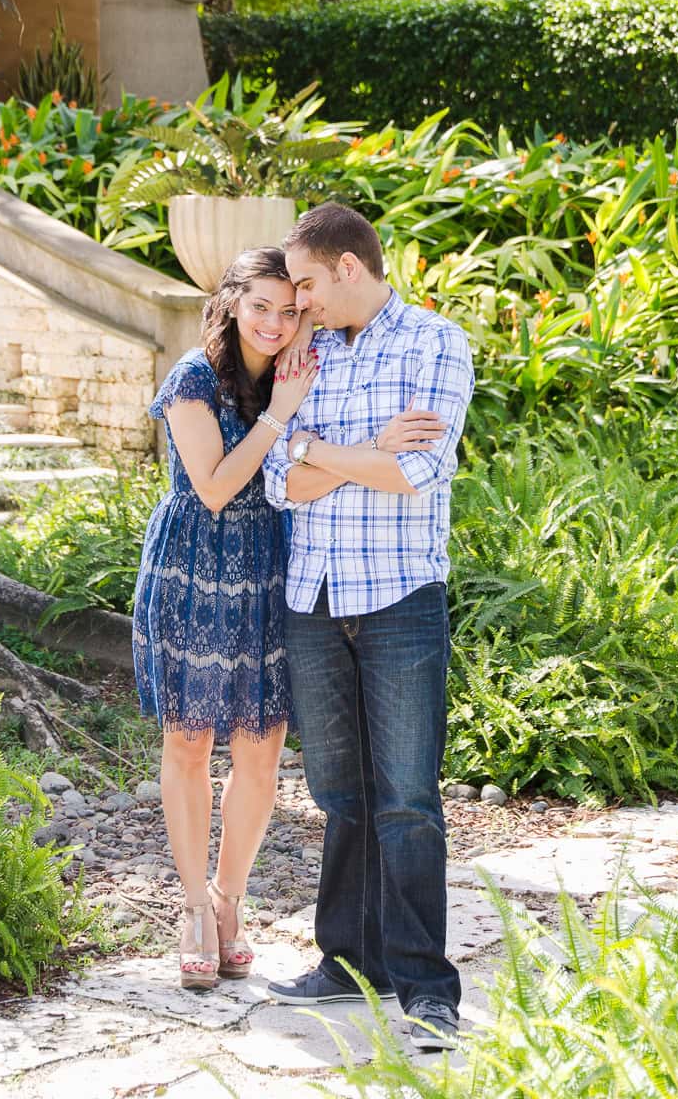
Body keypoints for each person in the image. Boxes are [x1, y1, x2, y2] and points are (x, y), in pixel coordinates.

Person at [262, 201, 474, 1054]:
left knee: (408, 802)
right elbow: (279, 478)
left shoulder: (434, 342)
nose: (297, 303)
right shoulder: (304, 353)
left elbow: (417, 469)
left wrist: (318, 451)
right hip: (312, 600)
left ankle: (426, 985)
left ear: (348, 267)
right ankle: (349, 965)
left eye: (307, 283)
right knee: (339, 797)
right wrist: (343, 454)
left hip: (396, 601)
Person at [131, 246, 317, 989]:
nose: (273, 323)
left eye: (288, 309)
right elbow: (211, 487)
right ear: (232, 302)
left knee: (261, 749)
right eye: (260, 306)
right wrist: (278, 419)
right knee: (188, 740)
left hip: (268, 568)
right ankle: (191, 911)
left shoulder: (298, 372)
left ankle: (229, 900)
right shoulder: (195, 377)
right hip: (193, 567)